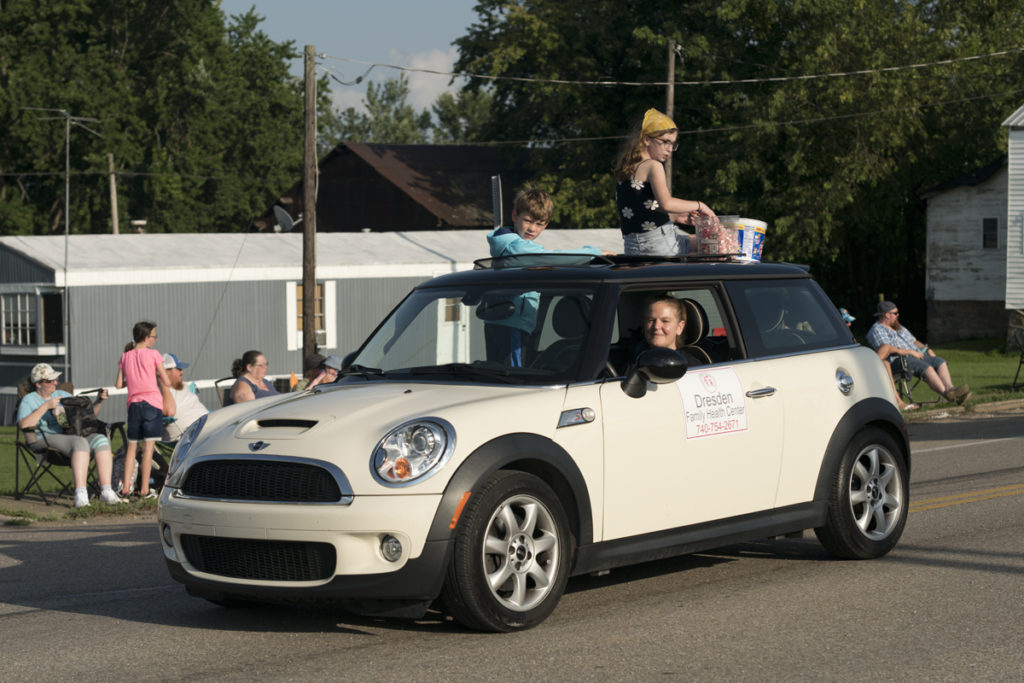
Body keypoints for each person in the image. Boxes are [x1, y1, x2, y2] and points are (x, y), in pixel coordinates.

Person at [486, 188, 613, 366]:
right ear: (514, 216)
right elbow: (552, 257)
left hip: (503, 319)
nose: (532, 228)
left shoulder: (509, 247)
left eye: (539, 223)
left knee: (498, 371)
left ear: (546, 225)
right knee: (512, 374)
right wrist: (594, 254)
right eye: (528, 220)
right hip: (512, 322)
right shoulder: (516, 248)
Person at [17, 363, 124, 508]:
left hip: (70, 436)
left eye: (55, 379)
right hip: (42, 439)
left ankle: (106, 490)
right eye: (50, 381)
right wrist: (46, 406)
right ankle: (80, 494)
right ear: (38, 384)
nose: (55, 383)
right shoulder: (29, 400)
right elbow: (24, 425)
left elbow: (86, 417)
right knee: (80, 442)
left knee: (101, 439)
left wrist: (99, 401)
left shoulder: (63, 395)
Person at [614, 108, 718, 256]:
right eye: (665, 142)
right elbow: (667, 204)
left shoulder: (625, 168)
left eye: (673, 144)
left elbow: (639, 210)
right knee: (715, 243)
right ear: (646, 139)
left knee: (699, 242)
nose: (669, 149)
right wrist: (700, 205)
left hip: (633, 248)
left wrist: (675, 217)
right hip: (660, 244)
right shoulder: (653, 166)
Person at [866, 301, 971, 405]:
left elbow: (914, 341)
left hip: (917, 355)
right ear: (886, 315)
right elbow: (887, 349)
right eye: (895, 313)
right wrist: (911, 352)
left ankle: (951, 389)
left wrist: (927, 349)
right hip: (899, 360)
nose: (898, 315)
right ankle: (948, 394)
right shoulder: (877, 330)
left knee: (940, 362)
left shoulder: (898, 327)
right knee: (926, 367)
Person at [116, 321, 171, 498]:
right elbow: (167, 381)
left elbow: (119, 384)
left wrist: (133, 380)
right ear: (147, 338)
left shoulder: (125, 356)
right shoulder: (154, 354)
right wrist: (154, 376)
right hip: (152, 404)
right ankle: (145, 490)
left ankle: (126, 488)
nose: (155, 339)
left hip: (133, 406)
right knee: (148, 449)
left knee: (132, 448)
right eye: (154, 336)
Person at [631, 294, 704, 366]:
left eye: (665, 321)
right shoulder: (635, 361)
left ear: (679, 327)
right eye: (651, 320)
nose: (656, 326)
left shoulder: (691, 367)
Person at [161, 353, 209, 440]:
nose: (182, 372)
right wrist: (163, 384)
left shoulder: (184, 385)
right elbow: (169, 412)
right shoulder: (158, 392)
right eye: (179, 369)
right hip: (190, 437)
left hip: (208, 426)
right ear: (166, 372)